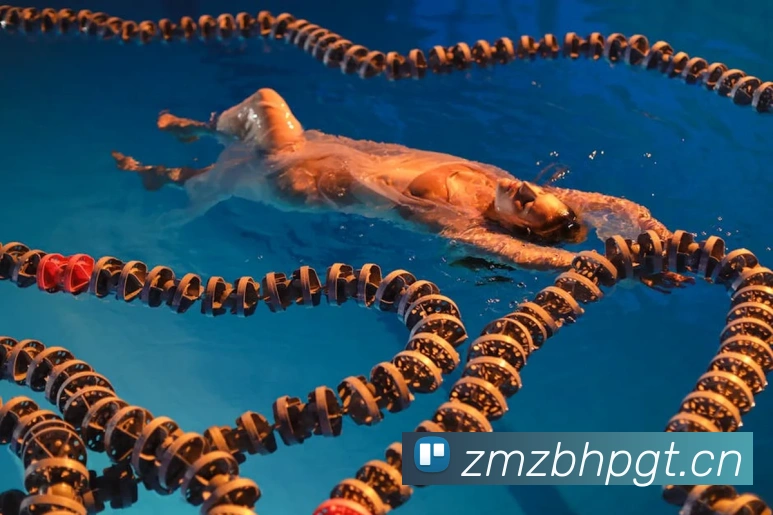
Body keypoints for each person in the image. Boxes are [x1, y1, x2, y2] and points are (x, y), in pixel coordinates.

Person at [111, 88, 691, 291]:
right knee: (213, 179)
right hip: (331, 153)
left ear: (517, 226)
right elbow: (618, 208)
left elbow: (532, 260)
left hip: (299, 180)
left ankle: (196, 132)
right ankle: (155, 167)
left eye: (530, 206)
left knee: (264, 105)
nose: (529, 191)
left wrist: (622, 269)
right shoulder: (511, 195)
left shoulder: (457, 222)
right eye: (541, 194)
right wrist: (657, 244)